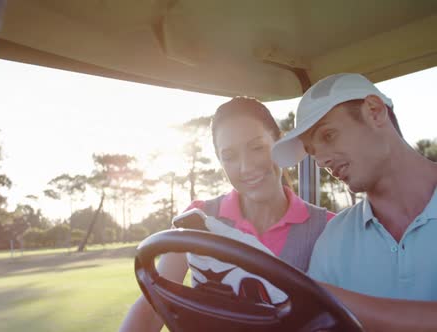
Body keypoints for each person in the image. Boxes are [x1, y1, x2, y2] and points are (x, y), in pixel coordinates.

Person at [120, 97, 333, 332]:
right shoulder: (197, 218)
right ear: (220, 160)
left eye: (257, 148)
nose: (246, 167)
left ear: (278, 141)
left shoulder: (328, 227)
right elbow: (153, 306)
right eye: (230, 156)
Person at [272, 73, 437, 331]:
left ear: (374, 112)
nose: (321, 161)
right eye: (312, 152)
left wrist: (330, 299)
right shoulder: (334, 237)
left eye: (328, 136)